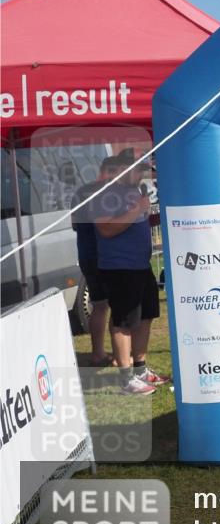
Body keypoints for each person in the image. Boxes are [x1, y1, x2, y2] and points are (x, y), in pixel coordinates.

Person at [93, 159, 168, 395]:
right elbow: (105, 228)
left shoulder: (134, 193)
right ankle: (126, 379)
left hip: (140, 265)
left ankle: (140, 369)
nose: (142, 175)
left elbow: (137, 221)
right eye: (137, 170)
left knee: (145, 317)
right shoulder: (105, 195)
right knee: (123, 321)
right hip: (119, 267)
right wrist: (138, 208)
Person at [72, 156, 122, 367]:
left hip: (86, 255)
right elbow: (111, 227)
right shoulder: (108, 193)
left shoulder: (80, 192)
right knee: (117, 305)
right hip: (105, 256)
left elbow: (74, 225)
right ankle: (121, 356)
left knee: (99, 305)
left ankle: (98, 353)